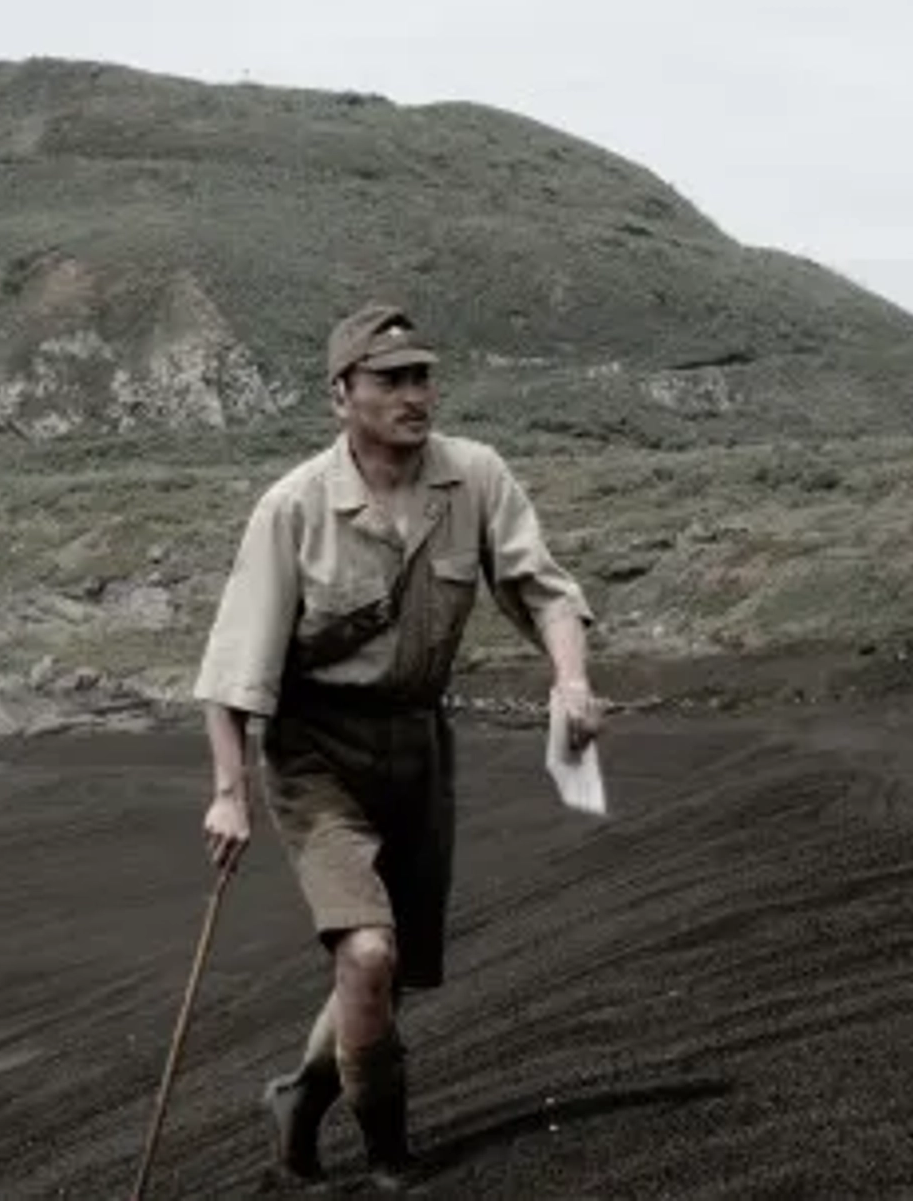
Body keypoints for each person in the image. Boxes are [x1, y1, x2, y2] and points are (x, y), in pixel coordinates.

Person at [192, 301, 602, 1190]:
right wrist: (230, 790)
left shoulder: (475, 477)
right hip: (315, 754)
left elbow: (544, 590)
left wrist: (569, 679)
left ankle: (301, 1095)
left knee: (386, 970)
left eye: (422, 375)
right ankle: (388, 1156)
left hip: (418, 746)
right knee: (368, 952)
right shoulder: (293, 507)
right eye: (390, 380)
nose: (415, 394)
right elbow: (231, 672)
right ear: (341, 394)